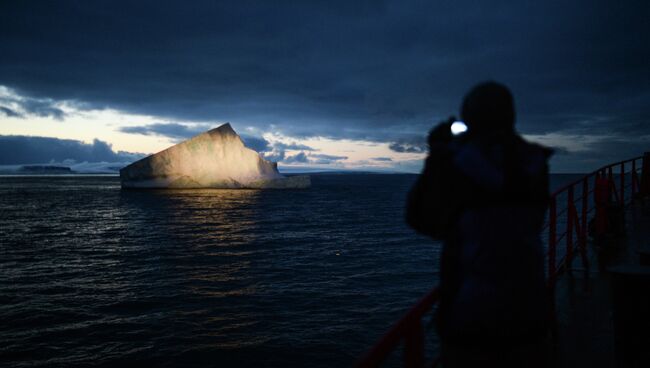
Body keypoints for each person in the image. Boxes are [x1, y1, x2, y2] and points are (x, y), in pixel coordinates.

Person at [406, 82, 553, 367]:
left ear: (469, 119)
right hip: (529, 314)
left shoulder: (460, 165)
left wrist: (438, 154)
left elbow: (421, 219)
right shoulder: (534, 163)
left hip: (472, 319)